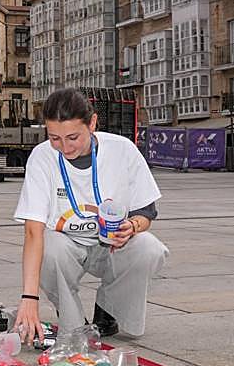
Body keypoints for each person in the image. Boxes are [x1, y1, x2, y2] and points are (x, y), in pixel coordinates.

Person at [14, 88, 168, 341]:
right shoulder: (42, 157)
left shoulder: (122, 150)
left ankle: (108, 309)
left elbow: (146, 212)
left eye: (73, 137)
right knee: (49, 248)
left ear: (92, 123)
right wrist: (29, 299)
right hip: (66, 245)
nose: (65, 147)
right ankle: (72, 320)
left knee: (149, 249)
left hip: (111, 246)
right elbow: (33, 231)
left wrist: (132, 225)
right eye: (55, 138)